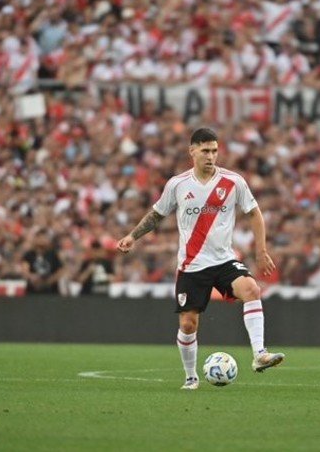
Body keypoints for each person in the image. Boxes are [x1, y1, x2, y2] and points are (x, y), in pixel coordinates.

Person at [116, 127, 285, 390]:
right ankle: (191, 377)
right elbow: (157, 214)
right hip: (192, 265)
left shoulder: (234, 181)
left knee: (251, 289)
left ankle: (259, 354)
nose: (211, 156)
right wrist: (132, 236)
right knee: (188, 323)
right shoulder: (178, 184)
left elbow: (254, 213)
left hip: (224, 260)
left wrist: (261, 251)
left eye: (215, 150)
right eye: (205, 150)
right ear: (192, 151)